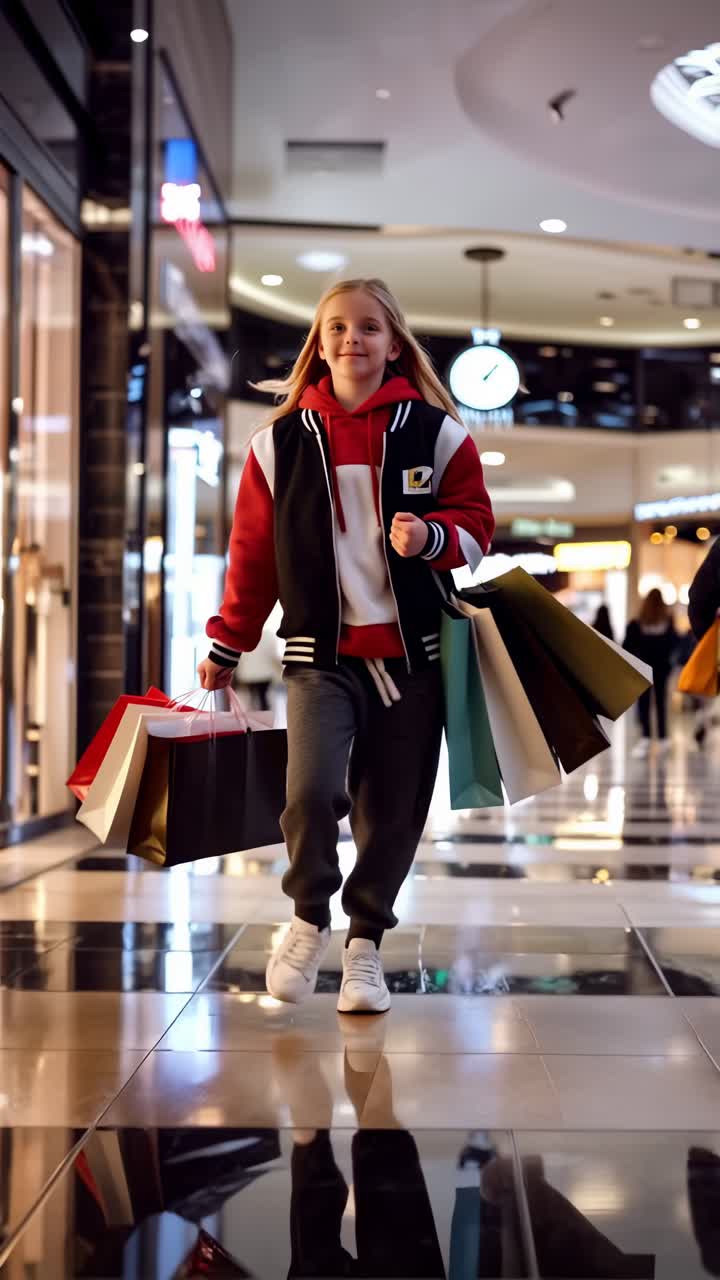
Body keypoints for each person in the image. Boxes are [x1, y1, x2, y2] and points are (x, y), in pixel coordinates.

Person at [198, 277, 494, 1014]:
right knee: (306, 793)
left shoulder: (437, 433)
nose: (351, 339)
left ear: (394, 343)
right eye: (336, 328)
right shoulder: (279, 445)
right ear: (319, 345)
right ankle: (306, 919)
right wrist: (226, 645)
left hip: (415, 659)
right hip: (319, 659)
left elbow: (478, 529)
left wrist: (433, 537)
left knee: (392, 810)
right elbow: (252, 557)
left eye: (367, 328)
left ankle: (365, 944)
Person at [623, 588, 678, 757]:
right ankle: (662, 738)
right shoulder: (667, 622)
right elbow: (673, 643)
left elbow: (627, 645)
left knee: (644, 704)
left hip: (643, 669)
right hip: (661, 668)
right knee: (661, 703)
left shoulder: (638, 622)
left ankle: (646, 737)